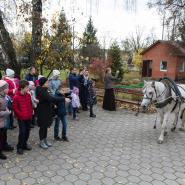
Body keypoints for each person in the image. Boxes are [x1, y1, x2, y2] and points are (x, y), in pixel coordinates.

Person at [35, 77, 65, 149]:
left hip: (47, 110)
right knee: (43, 126)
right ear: (43, 84)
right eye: (47, 82)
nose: (48, 83)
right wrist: (63, 99)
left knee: (46, 126)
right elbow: (50, 98)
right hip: (42, 111)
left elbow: (50, 99)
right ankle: (41, 141)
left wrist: (53, 104)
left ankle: (45, 140)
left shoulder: (45, 90)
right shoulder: (41, 91)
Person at [13, 80, 33, 155]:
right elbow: (15, 108)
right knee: (22, 132)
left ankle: (24, 144)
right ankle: (20, 147)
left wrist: (31, 113)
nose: (28, 89)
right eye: (27, 87)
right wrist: (20, 115)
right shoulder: (16, 97)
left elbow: (30, 105)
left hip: (28, 117)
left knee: (27, 131)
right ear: (21, 88)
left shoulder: (28, 95)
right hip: (21, 118)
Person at [0, 80, 12, 159]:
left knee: (4, 134)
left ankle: (4, 145)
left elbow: (6, 106)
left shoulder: (5, 96)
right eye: (6, 88)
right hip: (0, 121)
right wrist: (7, 112)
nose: (8, 89)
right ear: (1, 89)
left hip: (4, 121)